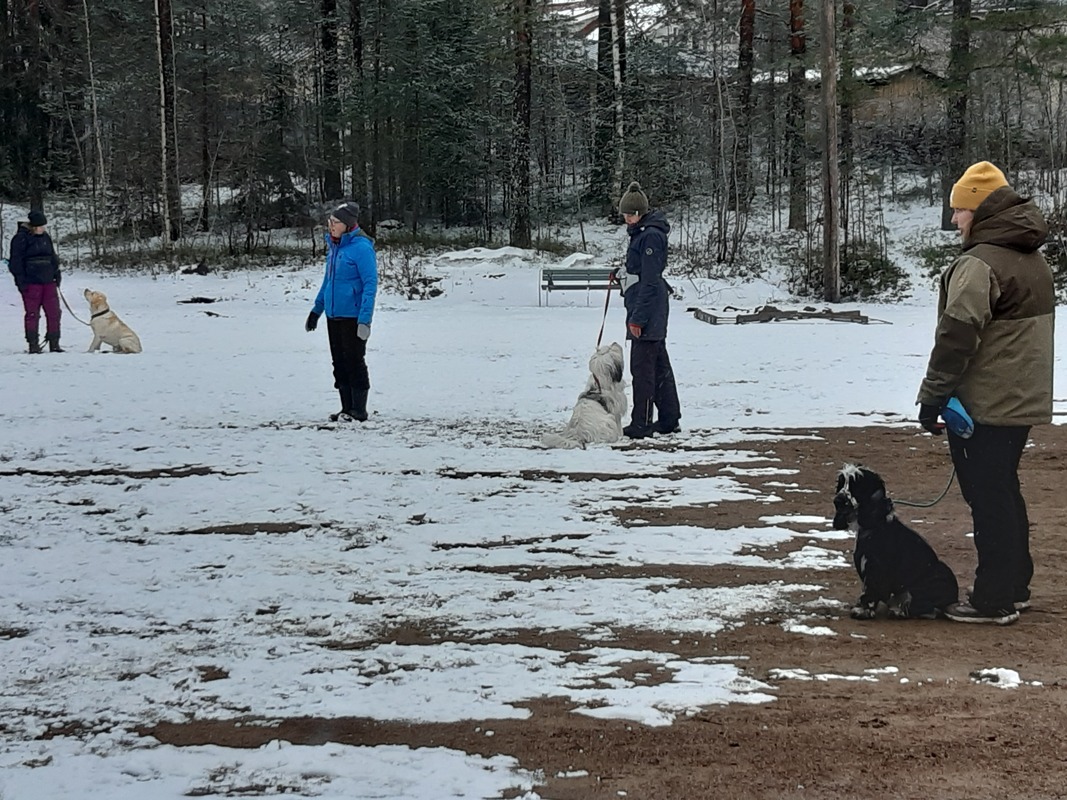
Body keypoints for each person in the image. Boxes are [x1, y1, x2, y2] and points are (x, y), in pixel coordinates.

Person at [916, 161, 1055, 626]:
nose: (954, 218)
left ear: (979, 209)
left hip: (986, 403)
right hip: (1021, 399)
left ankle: (994, 598)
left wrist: (933, 396)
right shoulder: (1031, 257)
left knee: (988, 498)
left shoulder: (979, 263)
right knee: (1003, 491)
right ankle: (1013, 587)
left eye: (959, 209)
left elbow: (956, 336)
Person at [616, 181, 681, 439]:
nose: (626, 219)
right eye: (624, 214)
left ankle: (641, 423)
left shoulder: (650, 236)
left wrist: (638, 319)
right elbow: (640, 270)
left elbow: (651, 280)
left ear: (640, 213)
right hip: (649, 309)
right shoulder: (643, 233)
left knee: (642, 370)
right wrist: (622, 273)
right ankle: (668, 419)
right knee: (659, 366)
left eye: (630, 214)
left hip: (648, 311)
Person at [305, 201, 378, 422]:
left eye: (336, 222)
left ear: (348, 224)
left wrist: (364, 320)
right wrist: (317, 310)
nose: (331, 226)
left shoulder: (362, 248)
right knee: (339, 363)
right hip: (333, 315)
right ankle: (346, 409)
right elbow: (328, 282)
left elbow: (370, 284)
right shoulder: (335, 248)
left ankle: (359, 410)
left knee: (354, 361)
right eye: (330, 221)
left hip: (352, 316)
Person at [8, 209, 63, 353]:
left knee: (54, 312)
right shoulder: (20, 239)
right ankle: (33, 343)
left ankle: (54, 342)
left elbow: (52, 256)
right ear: (33, 226)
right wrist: (21, 281)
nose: (43, 229)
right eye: (40, 226)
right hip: (31, 282)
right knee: (32, 314)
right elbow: (15, 263)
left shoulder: (45, 237)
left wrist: (56, 272)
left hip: (48, 281)